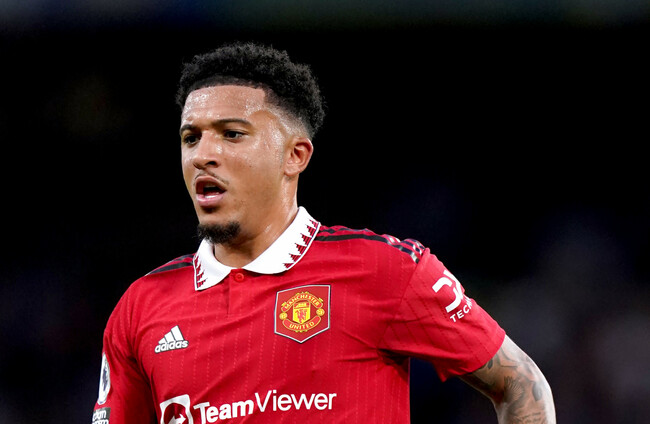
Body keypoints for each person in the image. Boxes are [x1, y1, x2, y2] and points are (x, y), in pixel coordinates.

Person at [92, 42, 555, 424]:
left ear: (295, 156)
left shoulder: (384, 270)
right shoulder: (141, 308)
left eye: (231, 134)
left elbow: (520, 384)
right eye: (190, 137)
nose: (202, 155)